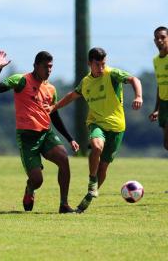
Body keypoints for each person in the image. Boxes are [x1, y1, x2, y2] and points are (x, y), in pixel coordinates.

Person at [51, 47, 142, 213]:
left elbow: (134, 79)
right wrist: (54, 107)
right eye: (97, 64)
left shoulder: (112, 74)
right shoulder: (86, 82)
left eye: (103, 64)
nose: (101, 68)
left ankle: (88, 197)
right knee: (97, 146)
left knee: (104, 167)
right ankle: (92, 181)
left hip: (117, 127)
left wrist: (138, 96)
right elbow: (72, 95)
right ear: (89, 63)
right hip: (96, 123)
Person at [0, 50, 79, 213]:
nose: (49, 70)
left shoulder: (51, 89)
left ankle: (64, 205)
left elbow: (54, 114)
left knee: (64, 159)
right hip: (27, 137)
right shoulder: (21, 80)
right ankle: (30, 189)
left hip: (46, 134)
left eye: (51, 67)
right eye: (45, 66)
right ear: (35, 66)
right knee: (37, 180)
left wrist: (70, 138)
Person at [149, 26, 168, 150]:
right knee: (166, 144)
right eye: (157, 38)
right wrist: (157, 109)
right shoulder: (156, 60)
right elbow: (160, 85)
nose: (160, 40)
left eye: (163, 37)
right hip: (164, 104)